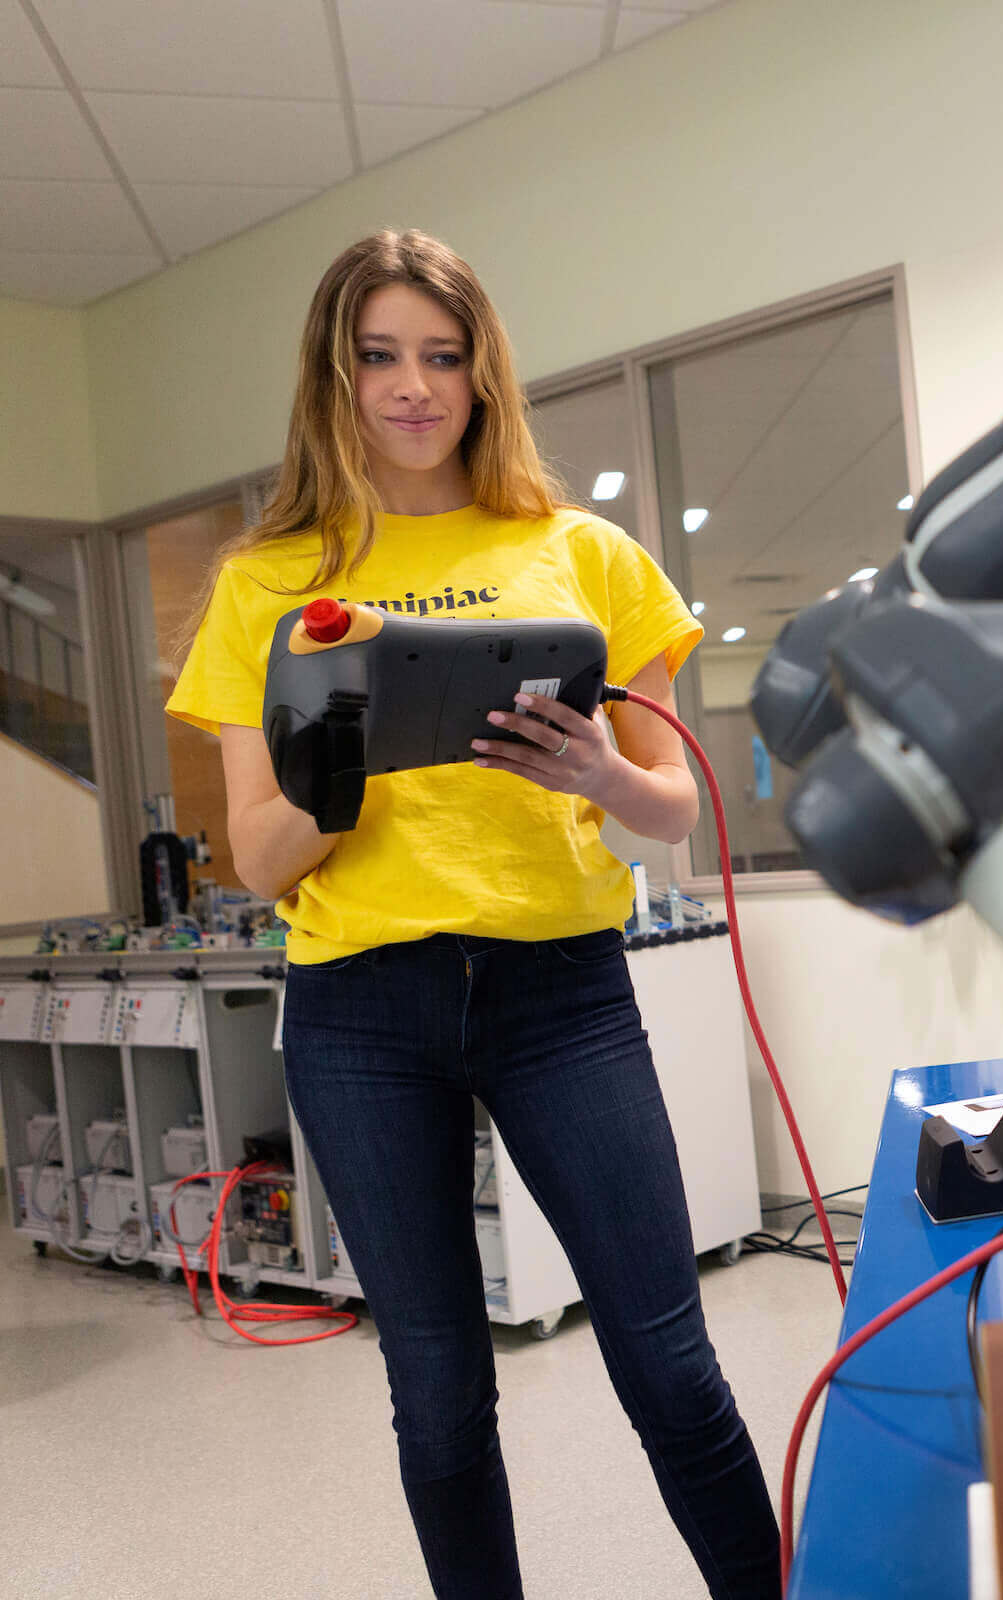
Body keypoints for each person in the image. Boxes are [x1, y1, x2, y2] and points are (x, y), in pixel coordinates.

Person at [168, 230, 780, 1599]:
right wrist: (351, 766)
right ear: (335, 374)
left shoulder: (582, 553)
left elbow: (672, 810)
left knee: (667, 1361)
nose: (413, 387)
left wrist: (599, 770)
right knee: (439, 1392)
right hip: (361, 1015)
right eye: (380, 356)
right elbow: (263, 859)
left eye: (442, 357)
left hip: (560, 992)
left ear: (482, 372)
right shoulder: (266, 582)